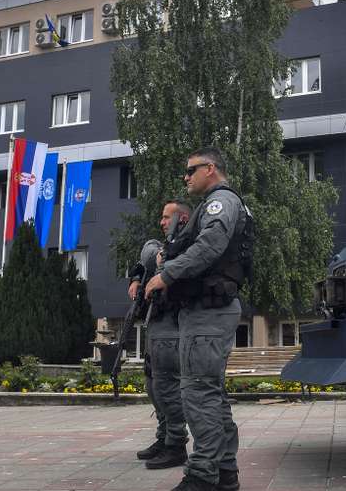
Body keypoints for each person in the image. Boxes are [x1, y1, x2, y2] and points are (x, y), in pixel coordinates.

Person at [145, 147, 253, 491]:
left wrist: (168, 274)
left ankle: (202, 476)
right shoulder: (217, 203)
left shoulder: (221, 202)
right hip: (206, 311)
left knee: (198, 395)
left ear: (210, 168)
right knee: (210, 395)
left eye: (191, 170)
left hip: (209, 312)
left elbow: (210, 245)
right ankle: (223, 473)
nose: (186, 177)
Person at [133, 200, 193, 469]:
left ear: (183, 218)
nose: (162, 221)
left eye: (167, 217)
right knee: (153, 386)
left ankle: (176, 443)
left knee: (167, 387)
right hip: (155, 323)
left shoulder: (190, 246)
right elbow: (144, 258)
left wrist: (165, 262)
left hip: (173, 324)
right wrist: (136, 278)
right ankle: (164, 437)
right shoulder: (163, 248)